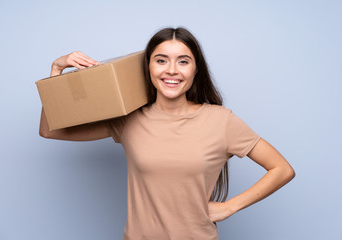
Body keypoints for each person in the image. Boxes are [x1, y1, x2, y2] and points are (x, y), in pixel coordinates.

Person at [39, 27, 295, 240]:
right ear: (148, 67)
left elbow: (282, 169)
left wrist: (229, 207)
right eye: (161, 60)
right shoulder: (128, 119)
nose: (171, 70)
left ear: (196, 70)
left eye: (183, 61)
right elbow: (49, 131)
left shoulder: (221, 121)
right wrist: (55, 73)